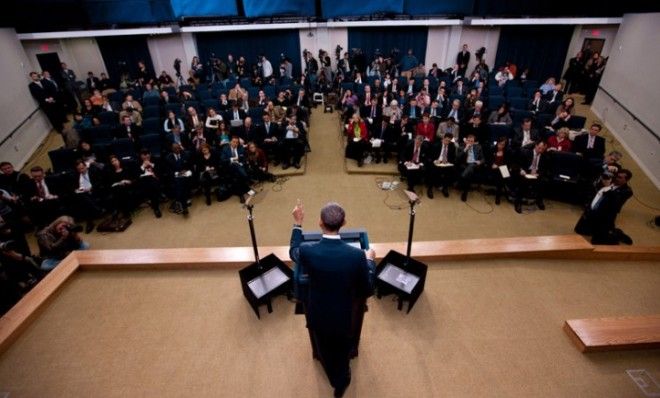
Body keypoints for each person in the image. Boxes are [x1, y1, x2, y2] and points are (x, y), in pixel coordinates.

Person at [289, 201, 375, 398]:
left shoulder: (308, 251)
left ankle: (329, 369)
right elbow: (367, 289)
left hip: (317, 314)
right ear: (344, 222)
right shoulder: (356, 256)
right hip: (343, 318)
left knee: (324, 347)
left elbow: (293, 251)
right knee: (342, 350)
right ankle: (341, 383)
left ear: (320, 222)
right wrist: (370, 260)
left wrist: (298, 223)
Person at [574, 169, 633, 244]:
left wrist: (608, 187)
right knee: (579, 230)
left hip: (604, 216)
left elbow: (615, 202)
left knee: (597, 241)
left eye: (620, 177)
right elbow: (595, 188)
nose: (617, 178)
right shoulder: (610, 180)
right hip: (592, 211)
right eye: (617, 176)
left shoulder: (627, 191)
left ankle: (617, 234)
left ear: (626, 180)